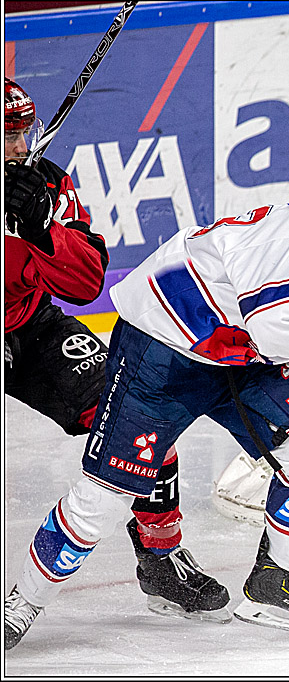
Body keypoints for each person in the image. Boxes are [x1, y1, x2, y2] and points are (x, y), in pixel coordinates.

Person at [4, 138, 289, 649]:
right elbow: (276, 327)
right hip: (163, 345)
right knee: (105, 499)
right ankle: (22, 601)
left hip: (234, 355)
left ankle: (277, 584)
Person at [4, 77, 229, 635]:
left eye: (23, 132)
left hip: (28, 326)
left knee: (138, 415)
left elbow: (86, 284)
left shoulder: (43, 185)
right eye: (7, 136)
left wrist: (41, 229)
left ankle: (161, 557)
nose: (21, 147)